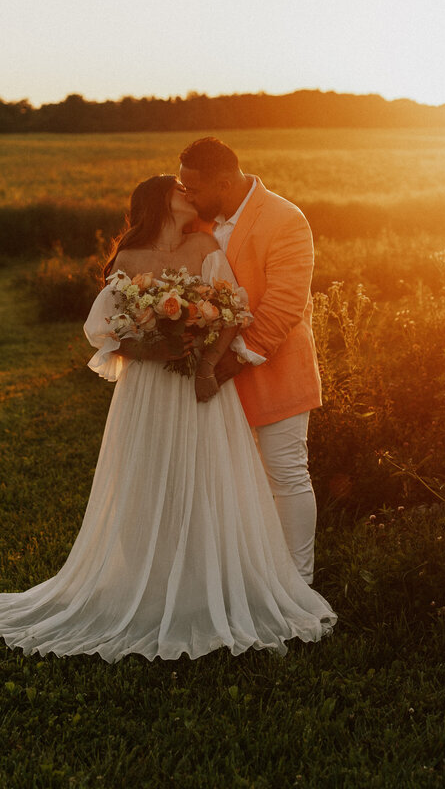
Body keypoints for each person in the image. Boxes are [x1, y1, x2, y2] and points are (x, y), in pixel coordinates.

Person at [0, 175, 335, 662]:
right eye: (179, 187)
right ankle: (152, 582)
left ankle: (214, 580)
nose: (189, 190)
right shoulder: (126, 261)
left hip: (199, 387)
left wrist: (207, 365)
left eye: (193, 183)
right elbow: (107, 334)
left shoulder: (206, 244)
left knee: (208, 476)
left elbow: (233, 312)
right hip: (147, 389)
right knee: (148, 479)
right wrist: (150, 344)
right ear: (158, 201)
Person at [178, 138, 322, 585]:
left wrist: (230, 362)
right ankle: (248, 578)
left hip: (273, 366)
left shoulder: (285, 219)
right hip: (214, 375)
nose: (188, 196)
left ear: (224, 183)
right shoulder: (196, 221)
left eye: (193, 188)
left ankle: (298, 584)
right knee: (233, 481)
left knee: (286, 473)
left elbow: (284, 304)